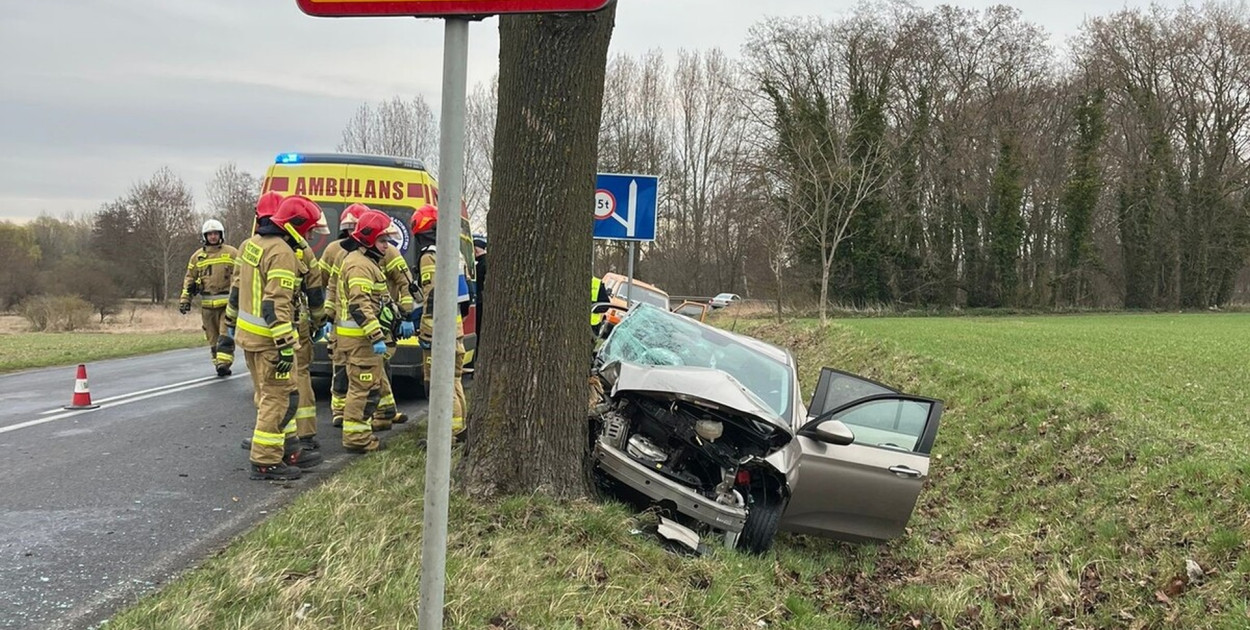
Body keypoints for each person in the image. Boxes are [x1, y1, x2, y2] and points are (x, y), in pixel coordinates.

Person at [223, 195, 327, 480]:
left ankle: (288, 447)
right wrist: (284, 346)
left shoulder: (252, 245)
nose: (308, 236)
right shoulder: (282, 252)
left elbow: (239, 291)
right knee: (279, 399)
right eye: (307, 230)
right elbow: (276, 303)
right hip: (271, 341)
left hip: (250, 339)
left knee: (274, 396)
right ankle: (266, 461)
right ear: (295, 226)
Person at [335, 209, 400, 453]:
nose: (387, 246)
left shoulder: (367, 263)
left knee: (369, 388)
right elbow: (359, 305)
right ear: (369, 239)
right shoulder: (360, 266)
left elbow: (376, 301)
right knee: (362, 391)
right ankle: (357, 440)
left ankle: (361, 436)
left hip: (363, 341)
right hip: (361, 342)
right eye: (383, 241)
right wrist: (376, 337)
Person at [411, 204, 468, 437]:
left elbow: (433, 296)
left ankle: (446, 437)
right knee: (454, 381)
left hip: (438, 334)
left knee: (439, 385)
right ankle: (459, 429)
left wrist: (426, 332)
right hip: (456, 330)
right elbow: (464, 297)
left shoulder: (429, 255)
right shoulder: (455, 251)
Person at [320, 204, 369, 429]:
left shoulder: (375, 252)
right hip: (340, 322)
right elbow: (324, 280)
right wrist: (326, 315)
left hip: (366, 321)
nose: (352, 233)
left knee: (367, 371)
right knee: (340, 368)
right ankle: (339, 410)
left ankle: (366, 413)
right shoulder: (333, 250)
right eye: (349, 228)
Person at [179, 219, 238, 377]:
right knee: (213, 339)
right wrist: (185, 300)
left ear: (221, 235)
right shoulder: (197, 257)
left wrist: (237, 299)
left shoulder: (232, 253)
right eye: (210, 234)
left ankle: (224, 364)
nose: (213, 237)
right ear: (205, 236)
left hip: (227, 305)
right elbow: (189, 279)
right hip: (207, 307)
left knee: (226, 336)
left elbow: (239, 276)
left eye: (215, 233)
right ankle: (218, 363)